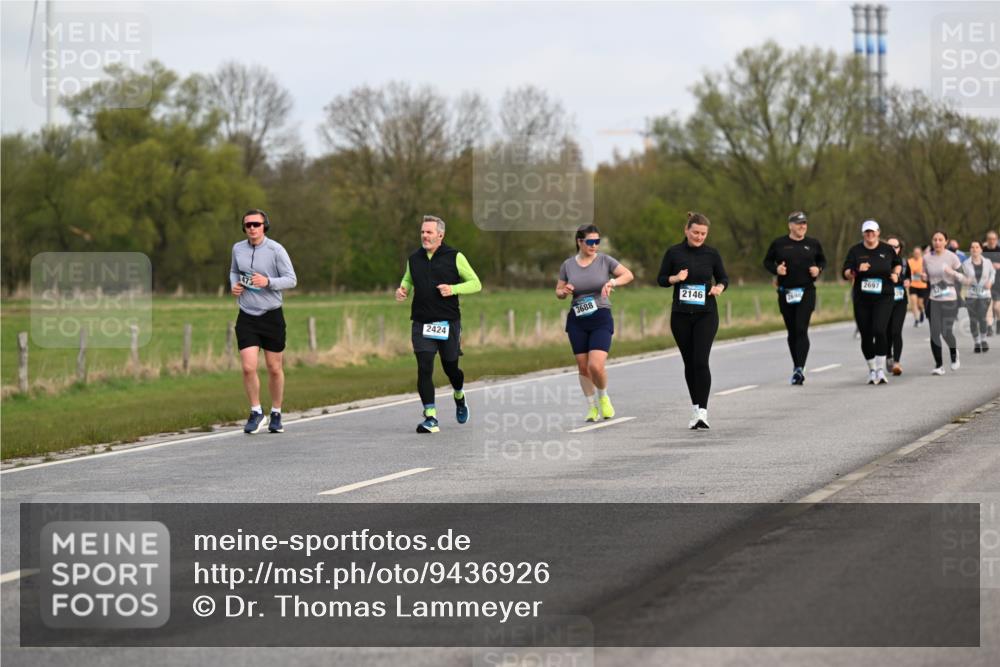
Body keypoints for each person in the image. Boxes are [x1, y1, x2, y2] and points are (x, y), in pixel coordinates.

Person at [396, 215, 481, 434]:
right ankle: (431, 417)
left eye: (429, 232)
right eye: (422, 232)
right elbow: (408, 279)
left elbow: (476, 283)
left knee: (450, 367)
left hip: (448, 322)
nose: (424, 236)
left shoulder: (455, 257)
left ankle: (459, 394)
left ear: (440, 235)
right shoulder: (414, 258)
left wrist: (453, 289)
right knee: (424, 368)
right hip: (421, 322)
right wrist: (403, 289)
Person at [657, 212, 729, 429]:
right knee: (689, 363)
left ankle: (703, 412)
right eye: (695, 232)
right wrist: (675, 279)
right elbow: (661, 279)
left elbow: (724, 278)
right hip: (680, 316)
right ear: (686, 230)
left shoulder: (712, 254)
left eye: (703, 234)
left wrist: (719, 288)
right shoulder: (674, 253)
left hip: (706, 314)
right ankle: (695, 408)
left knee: (700, 360)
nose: (699, 237)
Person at [556, 225, 634, 422]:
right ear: (579, 242)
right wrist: (564, 291)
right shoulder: (568, 265)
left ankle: (604, 397)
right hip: (577, 319)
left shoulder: (605, 261)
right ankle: (592, 408)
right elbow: (558, 292)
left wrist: (612, 283)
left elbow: (628, 275)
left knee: (595, 366)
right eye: (590, 242)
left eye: (597, 242)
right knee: (583, 367)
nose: (594, 245)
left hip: (600, 316)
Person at [230, 209, 297, 434]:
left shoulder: (276, 250)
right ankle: (256, 411)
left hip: (271, 315)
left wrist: (267, 281)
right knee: (248, 367)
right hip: (247, 314)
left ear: (264, 226)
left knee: (274, 367)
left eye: (256, 224)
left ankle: (276, 412)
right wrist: (235, 286)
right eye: (248, 225)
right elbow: (233, 271)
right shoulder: (237, 248)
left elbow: (291, 280)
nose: (252, 228)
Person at [762, 211, 827, 385]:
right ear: (790, 225)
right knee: (792, 331)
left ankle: (800, 368)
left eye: (804, 223)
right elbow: (767, 262)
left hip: (806, 291)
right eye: (798, 223)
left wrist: (818, 270)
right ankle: (796, 366)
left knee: (800, 327)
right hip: (786, 292)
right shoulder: (779, 244)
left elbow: (822, 261)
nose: (802, 226)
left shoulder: (813, 243)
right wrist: (776, 270)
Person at [841, 220, 902, 385]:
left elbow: (897, 264)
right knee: (866, 334)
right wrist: (856, 271)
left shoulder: (887, 249)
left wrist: (896, 274)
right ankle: (872, 369)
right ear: (863, 234)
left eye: (872, 231)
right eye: (867, 232)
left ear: (878, 232)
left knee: (879, 330)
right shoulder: (855, 251)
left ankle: (881, 370)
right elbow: (845, 272)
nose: (870, 234)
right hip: (862, 299)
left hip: (884, 296)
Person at [924, 231, 964, 375]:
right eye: (935, 239)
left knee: (946, 332)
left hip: (950, 300)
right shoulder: (926, 258)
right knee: (934, 332)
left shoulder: (952, 257)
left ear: (945, 242)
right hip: (934, 299)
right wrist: (924, 277)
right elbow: (926, 277)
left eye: (940, 239)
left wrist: (951, 272)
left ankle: (954, 353)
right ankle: (939, 365)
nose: (937, 242)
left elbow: (962, 277)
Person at [961, 240, 996, 353]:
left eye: (977, 247)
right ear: (970, 250)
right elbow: (961, 277)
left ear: (981, 249)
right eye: (972, 247)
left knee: (982, 318)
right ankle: (976, 342)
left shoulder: (987, 262)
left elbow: (992, 273)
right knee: (973, 320)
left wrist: (990, 282)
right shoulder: (965, 263)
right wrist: (965, 281)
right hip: (971, 295)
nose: (975, 249)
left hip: (985, 294)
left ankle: (984, 340)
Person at [884, 236, 911, 375]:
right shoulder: (881, 260)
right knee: (886, 332)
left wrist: (907, 281)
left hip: (900, 301)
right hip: (884, 301)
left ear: (900, 248)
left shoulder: (905, 263)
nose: (893, 249)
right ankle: (888, 355)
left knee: (896, 331)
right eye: (890, 246)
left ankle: (897, 362)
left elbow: (908, 277)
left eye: (896, 246)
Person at [983, 230, 1000, 336]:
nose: (992, 241)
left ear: (997, 240)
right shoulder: (982, 250)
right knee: (988, 305)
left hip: (998, 281)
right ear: (987, 240)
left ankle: (998, 322)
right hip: (986, 282)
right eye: (989, 239)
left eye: (994, 239)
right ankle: (989, 327)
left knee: (996, 307)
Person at [907, 245, 928, 327]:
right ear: (913, 253)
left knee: (920, 304)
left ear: (921, 253)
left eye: (918, 253)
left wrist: (922, 274)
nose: (916, 254)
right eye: (915, 253)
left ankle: (922, 311)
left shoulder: (924, 261)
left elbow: (927, 272)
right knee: (913, 302)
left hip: (922, 285)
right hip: (913, 285)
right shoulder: (909, 261)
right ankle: (916, 319)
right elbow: (908, 273)